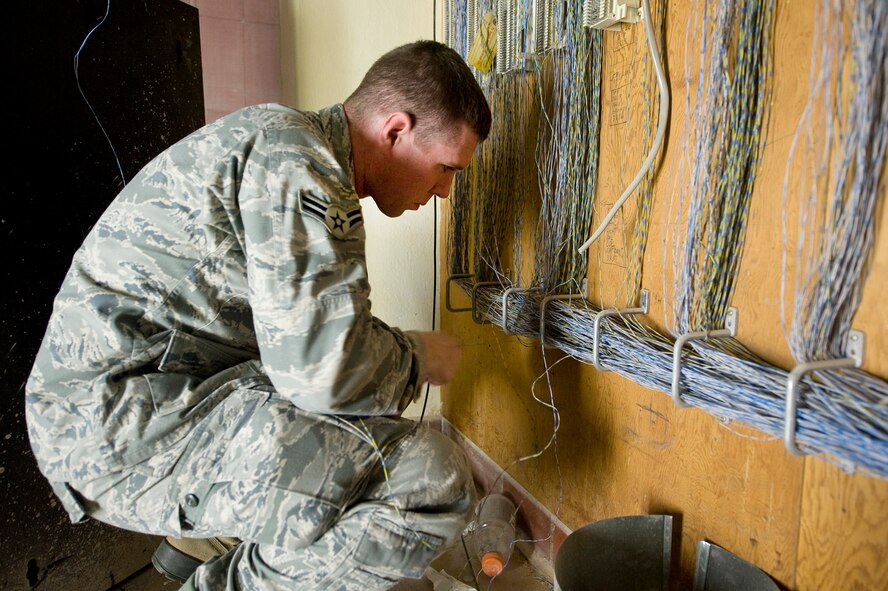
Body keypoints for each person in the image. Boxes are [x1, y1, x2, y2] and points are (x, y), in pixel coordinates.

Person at [25, 39, 491, 590]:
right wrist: (417, 357)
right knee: (433, 478)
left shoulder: (287, 143)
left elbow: (311, 350)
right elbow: (326, 375)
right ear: (394, 130)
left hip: (137, 400)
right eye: (445, 168)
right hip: (117, 425)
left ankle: (209, 543)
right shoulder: (300, 160)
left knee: (357, 428)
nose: (444, 191)